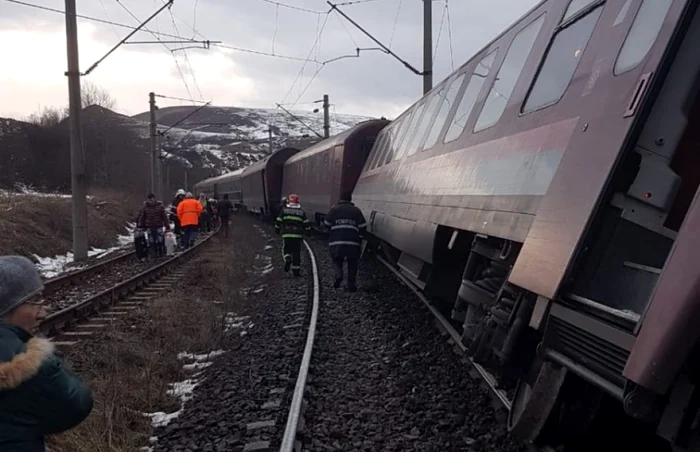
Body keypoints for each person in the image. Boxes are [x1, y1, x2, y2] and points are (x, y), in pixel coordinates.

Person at [0, 256, 93, 451]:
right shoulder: (27, 362)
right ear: (8, 309)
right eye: (35, 301)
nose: (43, 313)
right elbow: (76, 404)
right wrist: (45, 355)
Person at [324, 193, 367, 292]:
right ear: (350, 199)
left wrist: (330, 233)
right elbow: (363, 226)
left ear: (340, 199)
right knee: (352, 263)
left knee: (336, 259)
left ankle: (339, 274)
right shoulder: (356, 211)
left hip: (336, 242)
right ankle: (351, 285)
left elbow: (326, 224)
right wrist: (359, 238)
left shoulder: (334, 209)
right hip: (353, 242)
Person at [275, 193, 310, 276]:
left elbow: (278, 221)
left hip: (286, 235)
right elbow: (307, 224)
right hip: (297, 236)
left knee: (286, 249)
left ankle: (287, 259)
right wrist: (308, 233)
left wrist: (277, 230)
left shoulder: (284, 210)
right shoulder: (301, 212)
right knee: (296, 253)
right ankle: (296, 271)